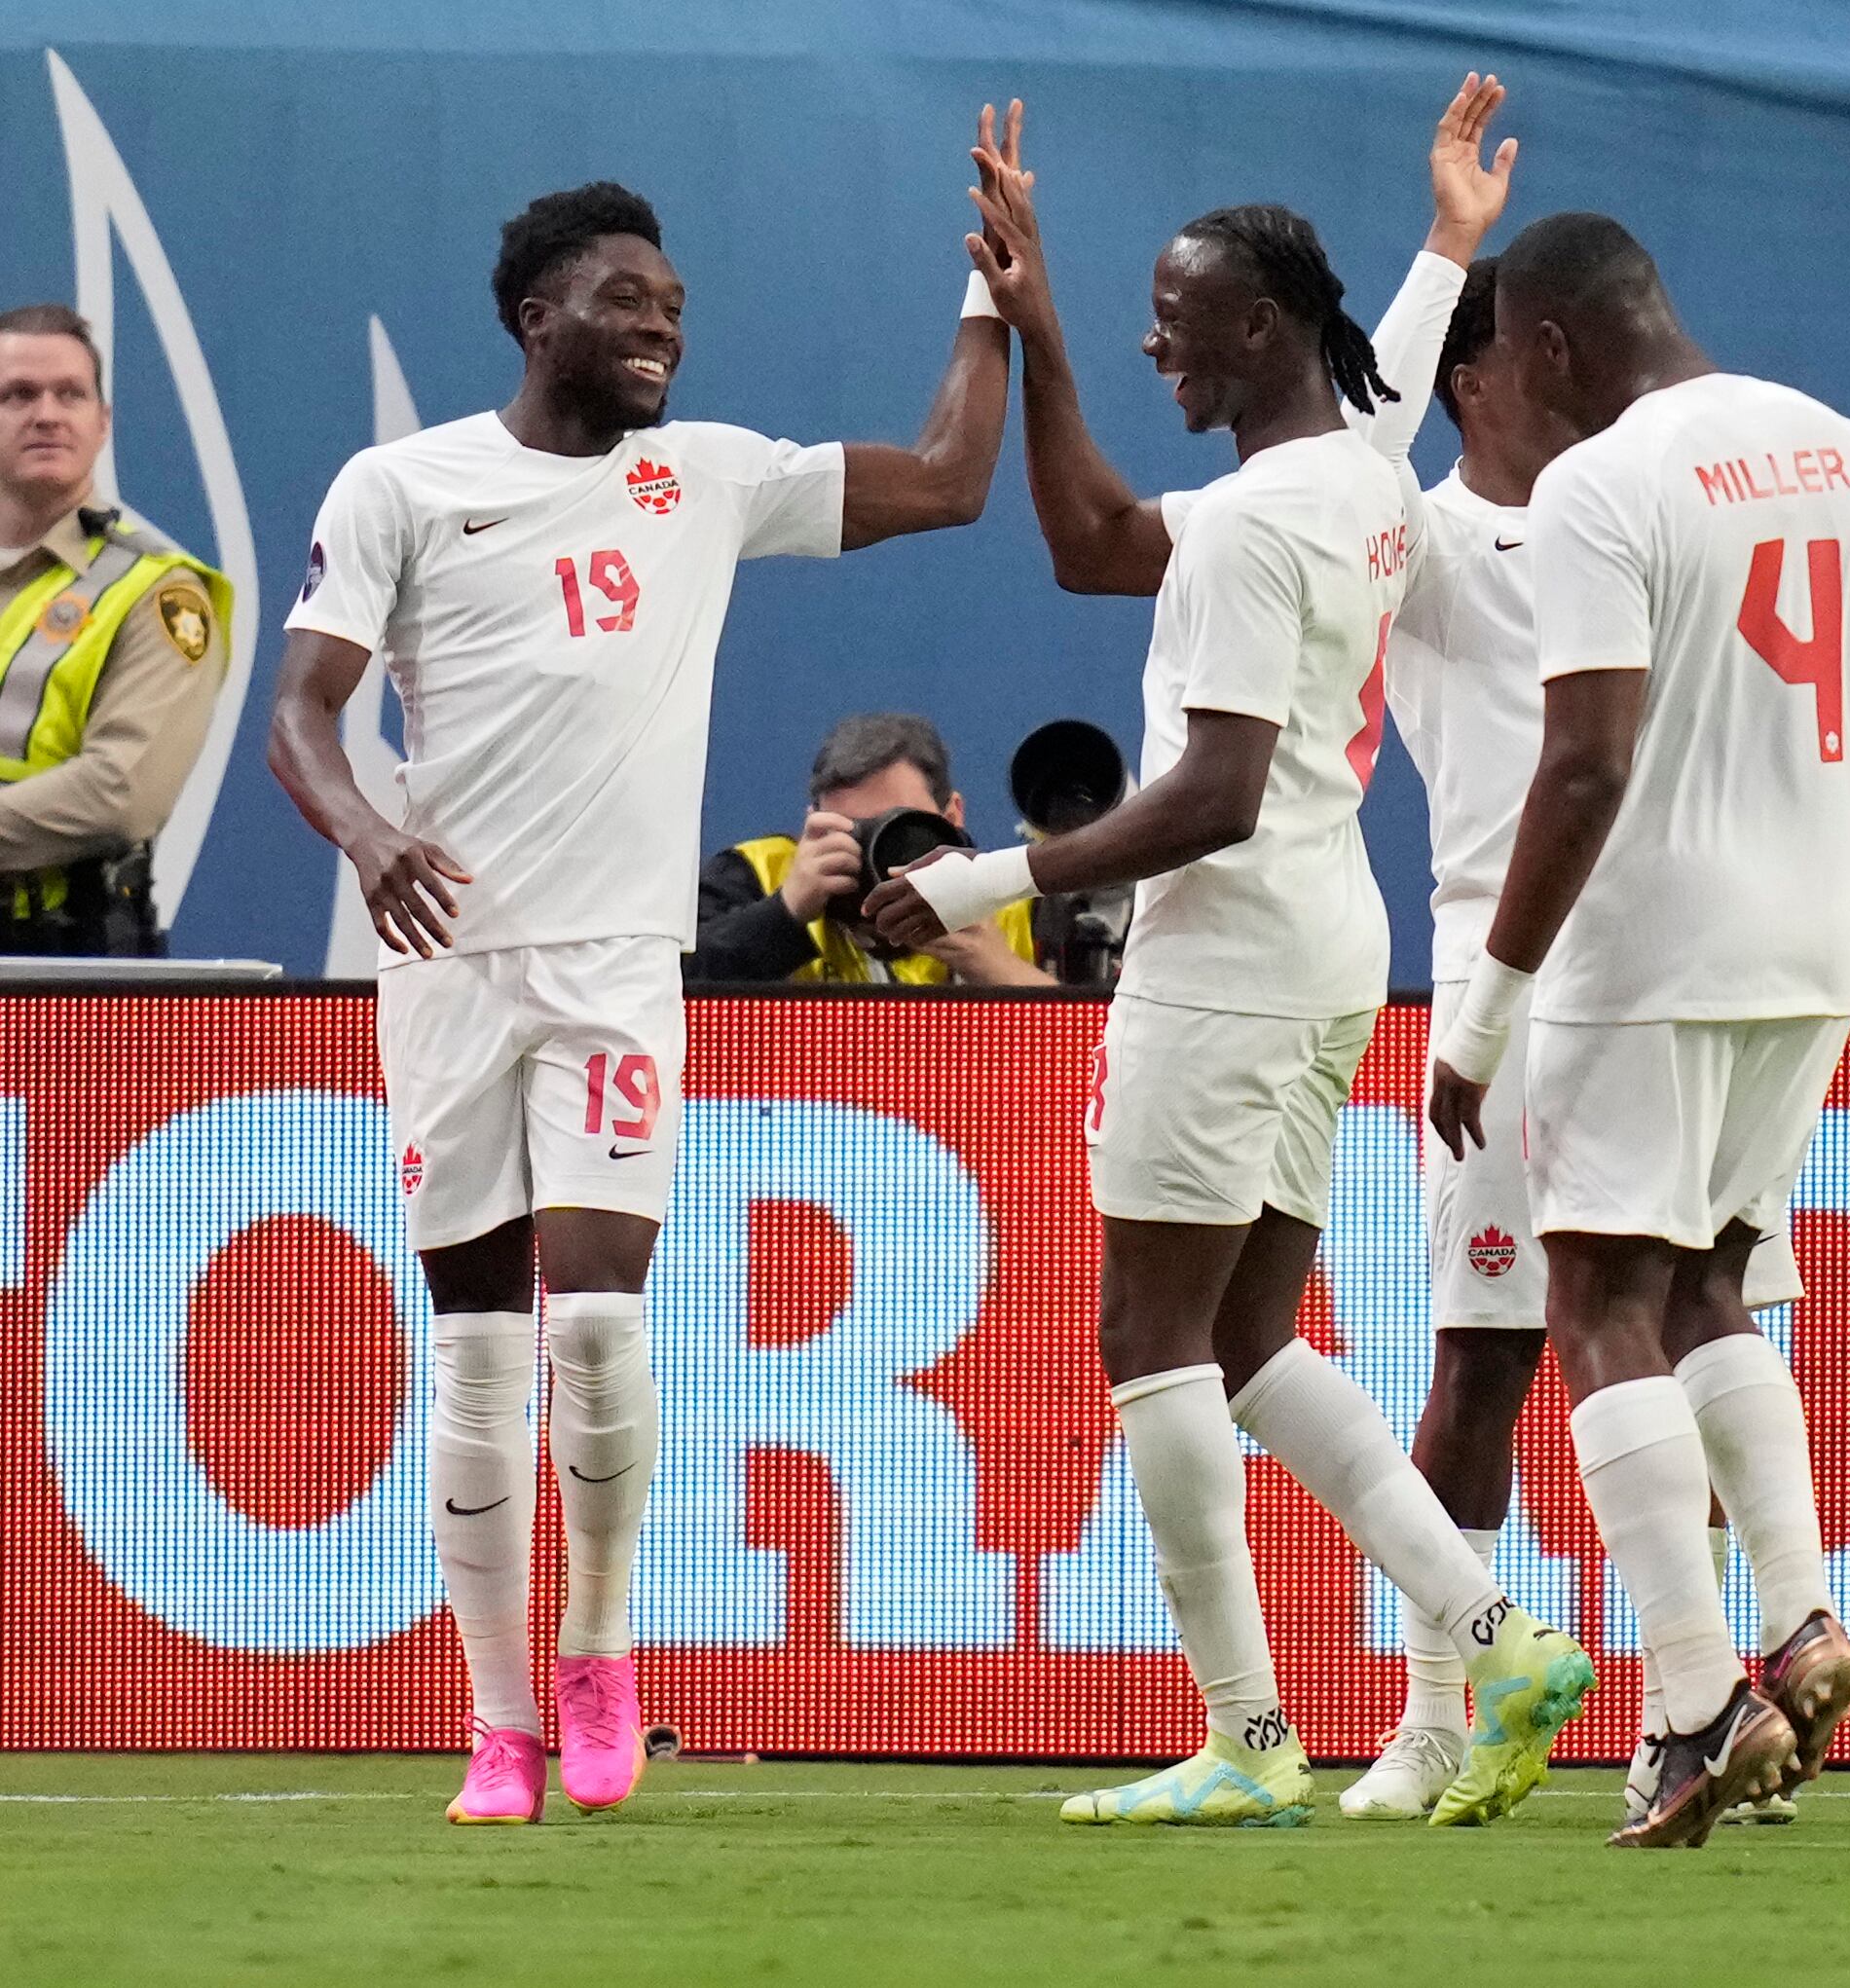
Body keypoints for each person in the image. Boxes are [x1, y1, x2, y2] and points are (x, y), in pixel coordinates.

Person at [265, 113, 1018, 1826]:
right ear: (538, 317)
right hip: (452, 966)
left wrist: (991, 306)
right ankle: (500, 1717)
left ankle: (602, 1657)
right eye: (624, 300)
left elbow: (950, 477)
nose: (661, 327)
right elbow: (300, 713)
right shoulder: (406, 487)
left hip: (614, 964)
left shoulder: (712, 474)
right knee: (471, 1352)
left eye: (673, 301)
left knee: (597, 1325)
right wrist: (373, 837)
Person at [870, 77, 1597, 1832]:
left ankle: (1249, 1734)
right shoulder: (1346, 477)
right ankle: (1497, 1640)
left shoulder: (1267, 520)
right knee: (1256, 1340)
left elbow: (1207, 788)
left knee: (1148, 1333)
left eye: (1177, 322)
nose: (1152, 345)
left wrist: (983, 885)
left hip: (1226, 949)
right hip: (1329, 937)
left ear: (1261, 326)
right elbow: (1088, 541)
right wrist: (1032, 320)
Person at [1425, 210, 1850, 1848]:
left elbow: (1580, 760)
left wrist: (1485, 1007)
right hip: (1813, 946)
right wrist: (1804, 860)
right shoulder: (1845, 458)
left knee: (1592, 1299)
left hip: (1644, 950)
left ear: (1554, 347)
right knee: (1711, 1277)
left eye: (1508, 362)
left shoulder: (1598, 483)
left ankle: (1700, 1694)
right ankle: (1793, 1608)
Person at [0, 304, 232, 954]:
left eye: (69, 394)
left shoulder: (159, 591)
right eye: (17, 394)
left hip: (61, 963)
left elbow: (122, 792)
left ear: (102, 424)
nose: (46, 413)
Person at [686, 711, 1050, 986]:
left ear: (952, 816)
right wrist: (784, 913)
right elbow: (652, 997)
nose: (877, 853)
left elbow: (1101, 1057)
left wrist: (1002, 971)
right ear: (813, 824)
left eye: (899, 829)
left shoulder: (1014, 903)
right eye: (853, 832)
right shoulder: (760, 874)